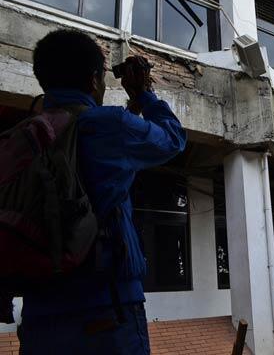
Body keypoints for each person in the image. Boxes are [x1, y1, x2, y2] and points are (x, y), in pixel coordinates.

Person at [16, 29, 187, 354]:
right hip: (107, 313)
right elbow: (172, 139)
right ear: (94, 79)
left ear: (42, 78)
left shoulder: (23, 136)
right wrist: (144, 93)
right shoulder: (107, 125)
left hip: (39, 316)